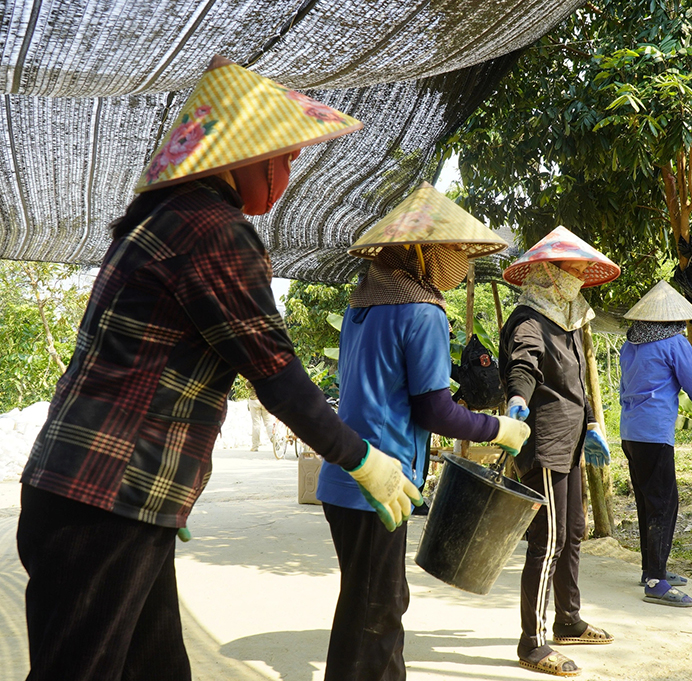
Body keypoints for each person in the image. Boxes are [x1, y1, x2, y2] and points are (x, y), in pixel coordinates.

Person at [15, 56, 409, 680]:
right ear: (239, 158)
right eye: (283, 155)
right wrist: (361, 459)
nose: (291, 168)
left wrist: (167, 494)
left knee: (159, 669)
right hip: (106, 500)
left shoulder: (158, 220)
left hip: (108, 495)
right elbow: (275, 373)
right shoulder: (213, 229)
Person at [316, 182, 531, 681]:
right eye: (449, 251)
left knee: (368, 604)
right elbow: (434, 411)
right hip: (382, 481)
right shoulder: (423, 310)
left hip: (344, 474)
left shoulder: (361, 307)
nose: (456, 262)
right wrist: (497, 428)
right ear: (419, 253)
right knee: (378, 613)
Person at [500, 226, 618, 677]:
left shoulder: (564, 319)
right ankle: (532, 642)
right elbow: (524, 365)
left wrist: (591, 423)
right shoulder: (530, 320)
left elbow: (577, 384)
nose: (580, 275)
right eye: (572, 267)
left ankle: (568, 619)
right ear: (548, 271)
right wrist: (518, 400)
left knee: (573, 533)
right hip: (545, 443)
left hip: (570, 442)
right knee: (547, 541)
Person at [618, 280, 692, 607]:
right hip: (654, 432)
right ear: (674, 317)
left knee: (647, 500)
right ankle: (656, 581)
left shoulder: (630, 343)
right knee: (664, 504)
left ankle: (650, 569)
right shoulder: (674, 342)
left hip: (630, 432)